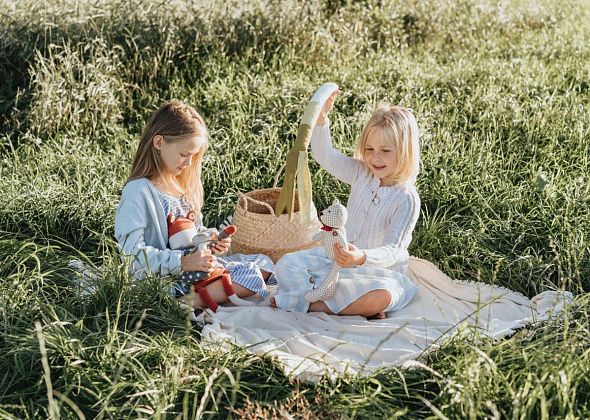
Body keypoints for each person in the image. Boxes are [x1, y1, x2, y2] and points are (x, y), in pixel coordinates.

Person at [271, 93, 420, 319]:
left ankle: (313, 305)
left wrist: (361, 257)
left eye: (386, 151)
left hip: (378, 273)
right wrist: (321, 119)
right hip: (339, 261)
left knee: (382, 297)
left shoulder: (406, 198)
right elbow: (325, 156)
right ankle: (344, 304)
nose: (375, 158)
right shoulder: (362, 173)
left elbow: (393, 251)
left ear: (405, 151)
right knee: (287, 264)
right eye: (369, 149)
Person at [114, 100, 275, 309]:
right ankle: (180, 305)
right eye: (184, 154)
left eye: (194, 156)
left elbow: (193, 235)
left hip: (194, 271)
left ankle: (210, 290)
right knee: (251, 275)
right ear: (158, 142)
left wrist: (211, 242)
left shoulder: (181, 187)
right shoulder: (139, 191)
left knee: (264, 263)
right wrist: (182, 263)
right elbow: (131, 255)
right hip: (166, 278)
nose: (189, 163)